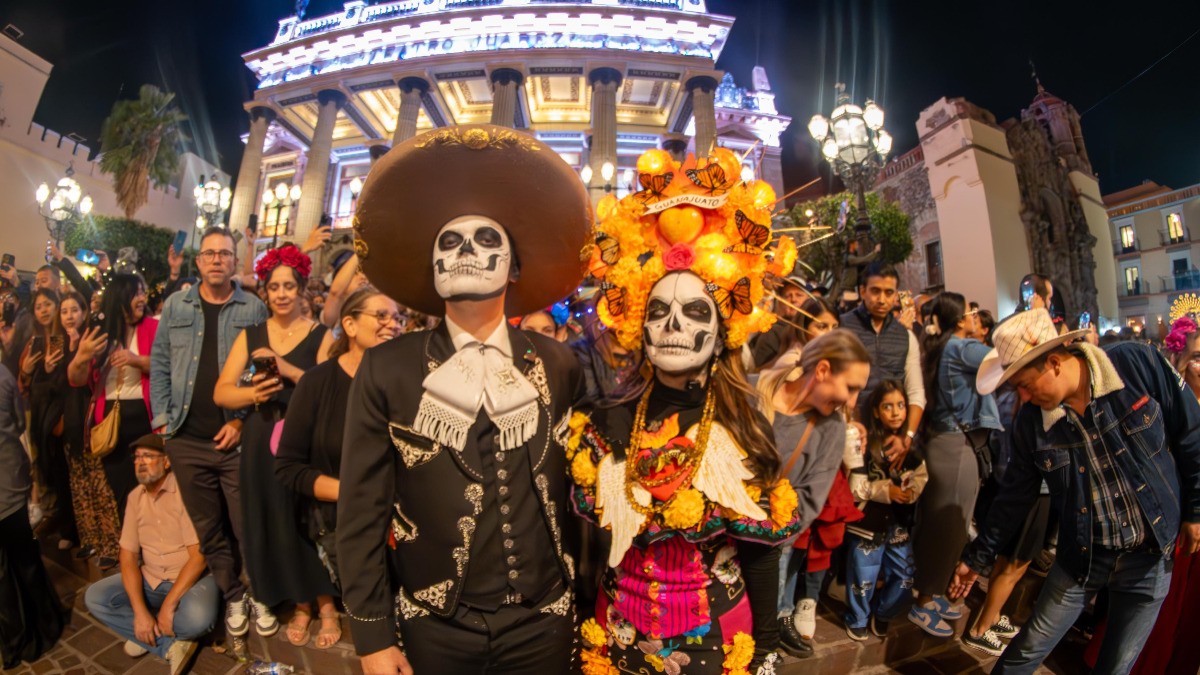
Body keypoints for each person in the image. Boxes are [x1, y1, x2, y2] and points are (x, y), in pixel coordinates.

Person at [337, 124, 591, 674]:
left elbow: (585, 486)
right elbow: (361, 508)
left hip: (543, 618)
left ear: (513, 267)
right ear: (433, 268)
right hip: (435, 623)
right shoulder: (387, 368)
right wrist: (372, 635)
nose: (466, 252)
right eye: (449, 243)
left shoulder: (559, 363)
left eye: (486, 241)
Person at [570, 147, 800, 674]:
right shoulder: (606, 423)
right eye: (658, 311)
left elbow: (761, 557)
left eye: (696, 312)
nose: (673, 325)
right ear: (640, 326)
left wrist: (764, 652)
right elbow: (588, 551)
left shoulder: (742, 429)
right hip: (618, 639)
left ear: (722, 334)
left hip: (716, 645)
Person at [951, 308, 1200, 673]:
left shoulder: (1136, 363)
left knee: (1116, 666)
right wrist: (978, 558)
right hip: (1083, 557)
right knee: (1025, 652)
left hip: (1149, 554)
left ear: (1054, 363)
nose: (1024, 396)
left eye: (1025, 384)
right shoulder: (1031, 423)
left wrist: (1195, 511)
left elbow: (1191, 432)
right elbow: (1014, 497)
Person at [149, 226, 275, 640]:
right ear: (199, 261)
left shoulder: (253, 308)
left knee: (246, 524)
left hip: (233, 439)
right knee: (208, 528)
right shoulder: (176, 305)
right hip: (185, 438)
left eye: (224, 253)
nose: (217, 259)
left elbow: (260, 373)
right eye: (210, 253)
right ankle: (233, 594)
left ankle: (260, 592)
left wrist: (240, 421)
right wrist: (162, 421)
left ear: (235, 261)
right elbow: (160, 361)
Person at [213, 243, 334, 647]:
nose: (281, 294)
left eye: (289, 286)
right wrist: (254, 394)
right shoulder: (251, 335)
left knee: (307, 520)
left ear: (301, 290)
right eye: (274, 287)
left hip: (304, 440)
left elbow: (331, 390)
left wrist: (288, 370)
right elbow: (222, 392)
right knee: (275, 519)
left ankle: (327, 606)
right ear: (265, 292)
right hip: (261, 436)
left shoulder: (320, 335)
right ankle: (301, 603)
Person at [274, 286, 401, 648]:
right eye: (381, 315)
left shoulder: (405, 381)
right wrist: (355, 493)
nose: (393, 324)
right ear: (350, 324)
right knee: (376, 620)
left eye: (398, 318)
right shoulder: (317, 383)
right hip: (344, 523)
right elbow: (288, 467)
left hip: (404, 523)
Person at [757, 329, 871, 656]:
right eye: (850, 388)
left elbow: (808, 504)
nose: (852, 402)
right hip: (714, 539)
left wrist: (763, 531)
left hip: (770, 549)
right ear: (822, 370)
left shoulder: (831, 428)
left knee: (757, 634)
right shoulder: (751, 393)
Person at [84, 434, 218, 674]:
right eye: (137, 458)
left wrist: (168, 606)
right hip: (152, 579)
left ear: (166, 461)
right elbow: (127, 557)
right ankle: (165, 643)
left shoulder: (184, 493)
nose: (140, 462)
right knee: (95, 597)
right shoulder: (135, 498)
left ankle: (147, 633)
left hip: (190, 581)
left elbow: (199, 557)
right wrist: (139, 613)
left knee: (199, 618)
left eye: (147, 456)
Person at [909, 292, 998, 636]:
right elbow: (1004, 357)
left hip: (946, 443)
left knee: (946, 525)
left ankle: (932, 594)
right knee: (947, 527)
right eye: (971, 312)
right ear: (960, 319)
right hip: (955, 447)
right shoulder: (962, 347)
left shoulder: (943, 346)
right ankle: (923, 602)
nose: (975, 316)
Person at [67, 274, 158, 542]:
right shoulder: (100, 333)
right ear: (119, 298)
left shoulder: (153, 327)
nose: (142, 298)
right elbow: (76, 379)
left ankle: (156, 546)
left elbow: (169, 365)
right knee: (122, 492)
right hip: (109, 421)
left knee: (152, 487)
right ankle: (132, 549)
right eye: (136, 293)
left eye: (142, 292)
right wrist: (81, 356)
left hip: (145, 419)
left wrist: (136, 360)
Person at [845, 380, 927, 640]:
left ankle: (883, 613)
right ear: (876, 411)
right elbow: (855, 488)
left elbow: (921, 476)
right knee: (863, 576)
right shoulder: (865, 443)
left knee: (905, 574)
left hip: (898, 524)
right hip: (867, 524)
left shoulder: (911, 447)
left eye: (901, 405)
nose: (895, 412)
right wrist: (885, 491)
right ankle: (857, 618)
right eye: (887, 406)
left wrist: (911, 491)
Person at [0, 362, 67, 668]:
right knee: (25, 559)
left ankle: (18, 642)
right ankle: (44, 625)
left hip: (6, 484)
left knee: (9, 569)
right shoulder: (3, 374)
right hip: (9, 479)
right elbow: (18, 422)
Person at [58, 290, 122, 563]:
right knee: (80, 485)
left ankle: (112, 545)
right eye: (64, 311)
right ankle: (90, 539)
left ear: (84, 313)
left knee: (100, 484)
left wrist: (80, 351)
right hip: (69, 423)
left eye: (74, 310)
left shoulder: (92, 340)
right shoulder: (56, 345)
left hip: (90, 420)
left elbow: (83, 379)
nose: (69, 316)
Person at [840, 263, 925, 466]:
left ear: (896, 295)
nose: (882, 299)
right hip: (849, 436)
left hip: (894, 440)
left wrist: (907, 436)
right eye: (875, 291)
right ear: (863, 291)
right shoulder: (842, 328)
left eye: (888, 293)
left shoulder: (906, 336)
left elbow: (916, 392)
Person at [17, 288, 74, 547]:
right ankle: (62, 524)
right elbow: (25, 385)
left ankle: (70, 530)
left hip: (61, 416)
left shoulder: (65, 338)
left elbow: (65, 381)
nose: (43, 310)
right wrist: (27, 371)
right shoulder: (34, 342)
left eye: (48, 304)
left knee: (66, 472)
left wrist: (48, 371)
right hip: (41, 417)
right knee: (51, 471)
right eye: (38, 306)